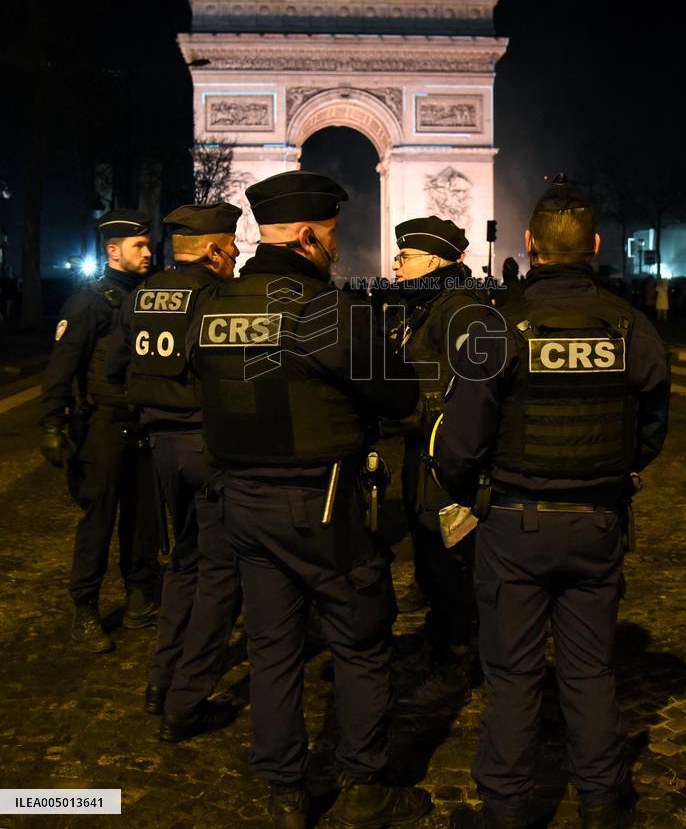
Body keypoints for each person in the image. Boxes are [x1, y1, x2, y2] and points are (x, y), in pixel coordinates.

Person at [191, 171, 432, 829]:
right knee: (358, 643)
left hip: (241, 502)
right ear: (306, 236)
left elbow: (200, 387)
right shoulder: (329, 309)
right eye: (330, 236)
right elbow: (400, 397)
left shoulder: (212, 307)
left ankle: (284, 793)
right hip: (322, 505)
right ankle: (363, 786)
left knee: (272, 648)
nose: (334, 248)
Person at [437, 174, 670, 829]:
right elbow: (652, 428)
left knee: (511, 674)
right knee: (591, 671)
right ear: (594, 245)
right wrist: (616, 471)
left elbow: (460, 440)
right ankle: (602, 802)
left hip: (513, 522)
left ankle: (507, 810)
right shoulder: (633, 327)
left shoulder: (497, 325)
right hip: (597, 521)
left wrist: (464, 492)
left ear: (530, 243)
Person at [107, 202, 243, 741]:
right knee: (220, 573)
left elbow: (117, 364)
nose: (235, 258)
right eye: (231, 249)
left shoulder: (141, 294)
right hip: (208, 447)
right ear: (213, 250)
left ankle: (159, 680)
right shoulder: (215, 297)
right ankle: (186, 700)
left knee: (184, 563)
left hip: (160, 447)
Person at [40, 209, 160, 653]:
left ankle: (139, 597)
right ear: (113, 251)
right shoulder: (88, 303)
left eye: (149, 245)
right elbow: (61, 367)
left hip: (143, 422)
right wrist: (51, 422)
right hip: (103, 425)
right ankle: (85, 609)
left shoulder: (151, 296)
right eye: (139, 247)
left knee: (144, 518)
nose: (149, 252)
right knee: (99, 520)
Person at [387, 215, 481, 710]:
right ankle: (440, 634)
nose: (395, 264)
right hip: (420, 455)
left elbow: (475, 396)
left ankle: (458, 657)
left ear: (434, 262)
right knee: (431, 555)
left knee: (453, 566)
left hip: (445, 462)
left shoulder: (459, 312)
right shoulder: (421, 308)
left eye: (404, 257)